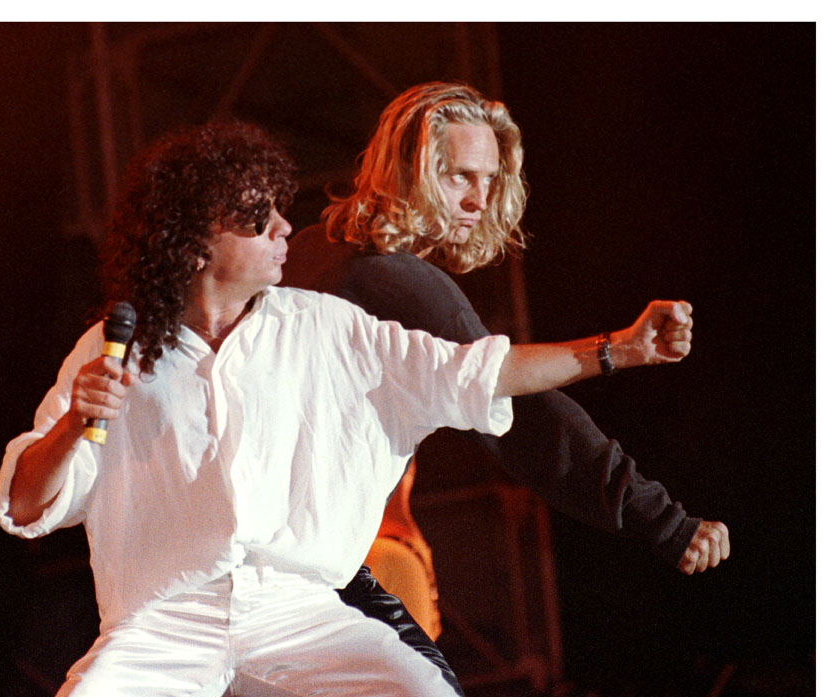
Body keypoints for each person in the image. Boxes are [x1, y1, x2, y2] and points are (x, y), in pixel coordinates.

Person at [0, 121, 704, 697]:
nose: (283, 227)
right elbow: (25, 503)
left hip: (298, 611)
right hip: (161, 623)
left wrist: (618, 349)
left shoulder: (324, 326)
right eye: (259, 217)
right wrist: (73, 423)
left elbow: (477, 373)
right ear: (197, 240)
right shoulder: (110, 352)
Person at [282, 81, 729, 645]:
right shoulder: (399, 283)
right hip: (302, 575)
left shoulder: (305, 248)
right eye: (459, 177)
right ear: (407, 170)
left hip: (256, 554)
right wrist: (664, 520)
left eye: (490, 179)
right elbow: (526, 415)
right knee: (427, 695)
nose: (479, 200)